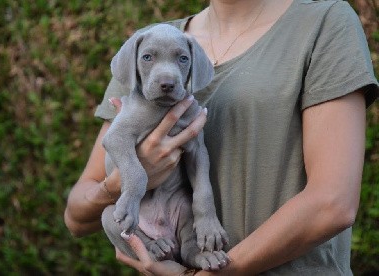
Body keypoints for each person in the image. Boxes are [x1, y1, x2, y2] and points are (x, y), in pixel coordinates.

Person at [64, 0, 379, 274]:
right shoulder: (146, 46)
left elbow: (333, 204)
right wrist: (125, 182)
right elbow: (78, 216)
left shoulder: (323, 23)